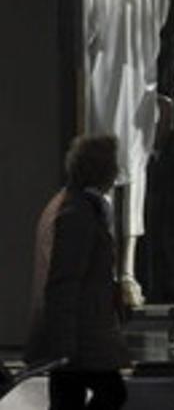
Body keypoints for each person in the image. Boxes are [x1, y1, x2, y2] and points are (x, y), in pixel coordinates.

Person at [25, 135, 131, 410]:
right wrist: (64, 344)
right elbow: (64, 281)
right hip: (80, 337)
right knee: (111, 392)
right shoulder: (76, 212)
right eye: (112, 165)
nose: (116, 171)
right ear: (100, 169)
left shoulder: (73, 205)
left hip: (77, 334)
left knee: (68, 401)